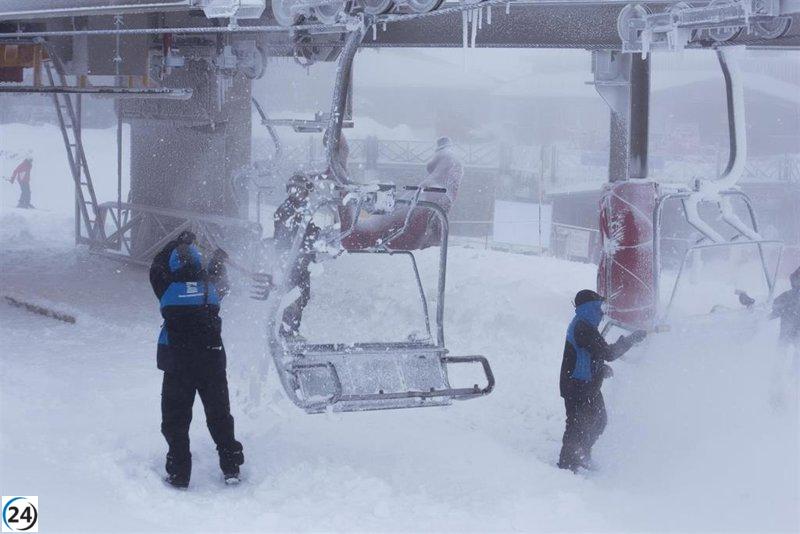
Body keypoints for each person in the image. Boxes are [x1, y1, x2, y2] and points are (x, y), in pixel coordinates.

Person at [149, 230, 244, 488]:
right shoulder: (209, 288)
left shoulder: (167, 287)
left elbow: (156, 263)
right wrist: (219, 259)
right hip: (211, 359)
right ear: (198, 264)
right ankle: (231, 465)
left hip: (178, 363)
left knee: (176, 420)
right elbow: (220, 279)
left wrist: (176, 242)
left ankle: (179, 473)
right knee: (219, 415)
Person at [558, 289, 647, 472]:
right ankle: (567, 464)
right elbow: (607, 353)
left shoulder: (587, 326)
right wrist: (631, 340)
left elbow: (590, 355)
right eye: (598, 306)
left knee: (598, 422)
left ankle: (581, 454)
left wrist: (599, 369)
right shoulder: (583, 328)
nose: (601, 311)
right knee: (576, 425)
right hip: (577, 386)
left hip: (587, 385)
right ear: (589, 308)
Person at [273, 173, 320, 339]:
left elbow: (308, 231)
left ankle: (291, 329)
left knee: (302, 294)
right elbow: (290, 238)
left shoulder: (301, 210)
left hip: (300, 260)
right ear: (293, 190)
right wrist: (310, 242)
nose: (306, 195)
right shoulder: (287, 211)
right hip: (291, 260)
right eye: (302, 191)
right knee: (294, 294)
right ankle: (287, 331)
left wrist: (315, 235)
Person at [419, 136, 463, 213]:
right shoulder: (454, 159)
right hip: (448, 194)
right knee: (439, 215)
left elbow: (437, 173)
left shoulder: (446, 156)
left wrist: (423, 184)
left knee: (429, 214)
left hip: (437, 191)